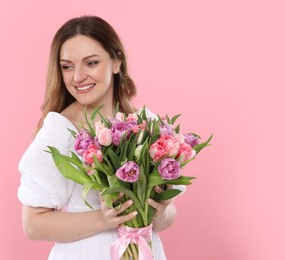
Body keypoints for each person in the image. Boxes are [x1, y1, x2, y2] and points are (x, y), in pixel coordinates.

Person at [17, 15, 184, 260]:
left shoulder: (146, 125)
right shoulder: (61, 132)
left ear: (116, 62)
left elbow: (167, 218)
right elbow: (32, 225)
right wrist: (102, 219)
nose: (77, 77)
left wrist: (158, 213)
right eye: (67, 66)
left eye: (91, 63)